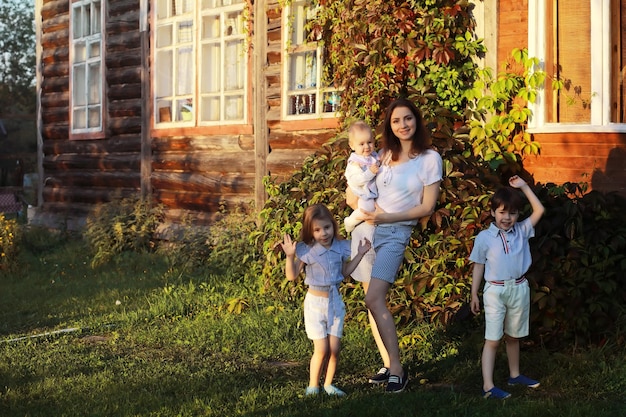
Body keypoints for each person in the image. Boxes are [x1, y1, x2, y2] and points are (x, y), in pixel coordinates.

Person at [347, 98, 443, 393]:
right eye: (396, 121)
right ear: (389, 126)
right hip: (365, 230)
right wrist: (361, 209)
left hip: (394, 233)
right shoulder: (383, 155)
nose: (403, 125)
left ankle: (398, 371)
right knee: (371, 301)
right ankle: (388, 364)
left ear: (417, 120)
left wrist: (386, 217)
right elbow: (352, 192)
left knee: (374, 298)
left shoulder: (429, 158)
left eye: (408, 119)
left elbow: (427, 207)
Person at [281, 203, 372, 397]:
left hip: (335, 302)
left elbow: (346, 272)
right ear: (310, 231)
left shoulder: (340, 247)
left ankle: (329, 384)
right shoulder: (308, 250)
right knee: (321, 348)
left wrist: (361, 253)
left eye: (327, 227)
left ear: (333, 225)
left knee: (334, 348)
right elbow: (292, 276)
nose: (324, 233)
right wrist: (290, 257)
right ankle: (313, 385)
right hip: (315, 304)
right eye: (317, 230)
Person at [469, 175, 545, 399]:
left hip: (519, 288)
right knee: (493, 339)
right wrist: (474, 293)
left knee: (513, 336)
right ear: (493, 212)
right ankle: (488, 386)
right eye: (502, 212)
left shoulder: (521, 230)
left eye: (512, 213)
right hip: (495, 292)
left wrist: (524, 187)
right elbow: (478, 266)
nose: (507, 217)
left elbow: (539, 210)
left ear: (517, 215)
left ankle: (514, 375)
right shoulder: (484, 238)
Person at [343, 120, 380, 233]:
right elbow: (356, 180)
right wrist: (370, 172)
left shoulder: (373, 156)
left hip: (371, 191)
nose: (367, 147)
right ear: (352, 145)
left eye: (369, 142)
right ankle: (350, 221)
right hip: (362, 193)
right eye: (361, 144)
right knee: (366, 209)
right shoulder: (355, 162)